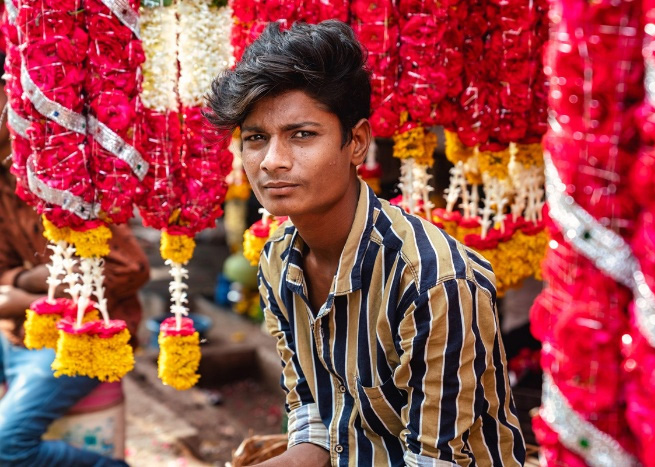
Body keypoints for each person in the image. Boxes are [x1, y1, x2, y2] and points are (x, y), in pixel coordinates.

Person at [207, 20, 526, 467]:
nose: (273, 162)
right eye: (256, 139)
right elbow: (316, 427)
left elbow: (436, 461)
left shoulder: (434, 284)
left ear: (356, 142)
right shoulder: (279, 261)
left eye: (302, 135)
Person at [0, 54, 150, 467]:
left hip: (83, 334)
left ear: (9, 94)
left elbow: (129, 268)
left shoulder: (61, 168)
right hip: (14, 334)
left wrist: (29, 292)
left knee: (5, 447)